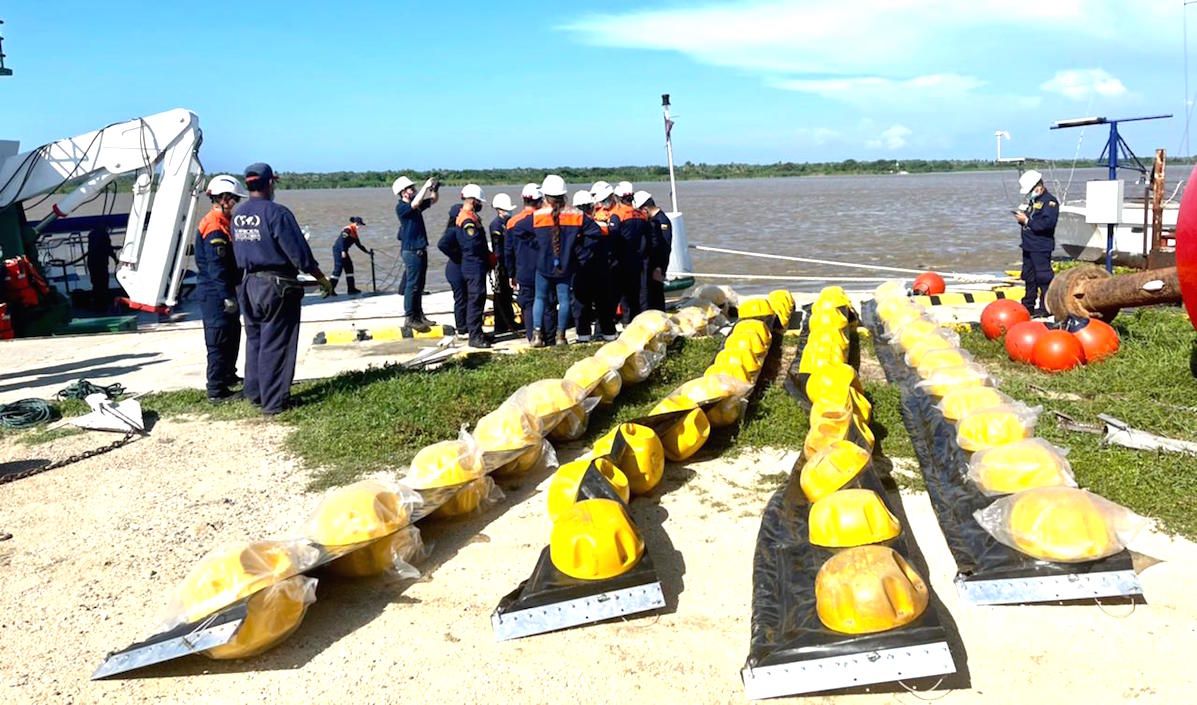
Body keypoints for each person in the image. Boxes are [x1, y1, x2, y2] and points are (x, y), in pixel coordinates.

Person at [231, 163, 333, 415]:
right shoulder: (277, 213)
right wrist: (322, 279)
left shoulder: (237, 214)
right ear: (269, 184)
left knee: (255, 340)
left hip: (248, 284)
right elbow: (300, 255)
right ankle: (274, 402)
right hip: (276, 286)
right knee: (277, 343)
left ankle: (255, 394)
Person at [518, 174, 600, 347]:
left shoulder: (537, 216)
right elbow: (595, 232)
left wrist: (538, 245)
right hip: (566, 264)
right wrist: (579, 251)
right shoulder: (576, 215)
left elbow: (518, 230)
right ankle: (561, 336)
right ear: (564, 195)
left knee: (539, 298)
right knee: (564, 300)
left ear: (545, 196)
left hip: (543, 265)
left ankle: (537, 336)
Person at [195, 175, 247, 403]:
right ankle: (216, 390)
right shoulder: (214, 226)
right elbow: (217, 267)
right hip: (216, 292)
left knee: (232, 334)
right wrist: (227, 296)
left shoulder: (225, 222)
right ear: (224, 199)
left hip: (226, 289)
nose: (236, 203)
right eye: (234, 199)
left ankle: (228, 375)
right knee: (218, 339)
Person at [506, 183, 557, 343]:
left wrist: (510, 273)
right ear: (541, 200)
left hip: (524, 271)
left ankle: (533, 339)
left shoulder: (512, 222)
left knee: (528, 306)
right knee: (548, 305)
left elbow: (508, 251)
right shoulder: (548, 220)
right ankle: (549, 340)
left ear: (523, 199)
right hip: (546, 270)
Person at [393, 174, 440, 332]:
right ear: (403, 192)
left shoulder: (416, 205)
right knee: (412, 285)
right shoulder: (402, 207)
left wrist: (434, 189)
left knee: (419, 285)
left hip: (420, 250)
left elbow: (433, 200)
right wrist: (425, 187)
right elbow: (415, 203)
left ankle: (419, 315)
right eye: (411, 188)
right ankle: (410, 317)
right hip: (411, 251)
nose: (414, 189)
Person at [451, 184, 492, 348]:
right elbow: (473, 244)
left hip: (474, 264)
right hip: (474, 265)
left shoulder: (469, 216)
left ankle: (478, 333)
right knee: (475, 300)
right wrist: (486, 256)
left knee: (478, 299)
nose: (481, 204)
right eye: (479, 201)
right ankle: (474, 337)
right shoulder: (468, 220)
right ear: (473, 200)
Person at [570, 189, 614, 342]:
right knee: (604, 305)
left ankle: (583, 337)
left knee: (581, 306)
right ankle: (608, 335)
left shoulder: (569, 228)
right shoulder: (602, 225)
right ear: (593, 207)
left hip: (580, 272)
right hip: (601, 271)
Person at [1013, 170, 1059, 316]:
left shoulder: (1049, 202)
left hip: (1040, 246)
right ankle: (1028, 306)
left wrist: (1026, 220)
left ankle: (1046, 307)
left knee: (1043, 277)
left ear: (1038, 186)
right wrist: (1023, 218)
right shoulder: (1034, 202)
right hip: (1028, 245)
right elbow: (1033, 221)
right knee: (1029, 277)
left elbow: (1046, 224)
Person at [609, 180, 650, 323]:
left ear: (617, 198)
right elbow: (647, 239)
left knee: (619, 295)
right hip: (637, 261)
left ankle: (623, 323)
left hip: (621, 262)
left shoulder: (617, 215)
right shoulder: (641, 215)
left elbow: (613, 239)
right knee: (635, 295)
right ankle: (634, 322)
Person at [635, 190, 672, 312]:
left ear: (645, 207)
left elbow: (665, 247)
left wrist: (659, 267)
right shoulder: (652, 220)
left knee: (655, 297)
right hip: (650, 264)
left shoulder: (662, 221)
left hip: (656, 266)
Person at [437, 190, 468, 336]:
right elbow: (441, 245)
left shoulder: (459, 229)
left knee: (466, 298)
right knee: (461, 299)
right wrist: (457, 256)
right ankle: (462, 328)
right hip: (456, 269)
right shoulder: (453, 230)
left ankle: (466, 325)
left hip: (459, 267)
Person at [489, 193, 518, 334]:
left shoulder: (508, 223)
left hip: (508, 262)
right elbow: (498, 249)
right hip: (502, 265)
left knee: (508, 295)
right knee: (501, 296)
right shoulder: (496, 226)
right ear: (499, 210)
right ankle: (501, 325)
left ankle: (509, 321)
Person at [329, 216, 370, 295]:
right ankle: (330, 289)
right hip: (338, 250)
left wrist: (367, 252)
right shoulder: (348, 229)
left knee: (349, 267)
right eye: (360, 224)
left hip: (344, 251)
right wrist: (343, 251)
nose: (360, 226)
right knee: (338, 269)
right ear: (356, 223)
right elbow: (341, 240)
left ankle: (351, 289)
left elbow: (359, 245)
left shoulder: (354, 232)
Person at [86, 225, 119, 311]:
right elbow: (108, 248)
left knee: (96, 282)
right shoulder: (104, 235)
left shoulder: (92, 235)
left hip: (92, 262)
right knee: (103, 283)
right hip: (101, 263)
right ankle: (102, 304)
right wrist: (115, 259)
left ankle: (97, 303)